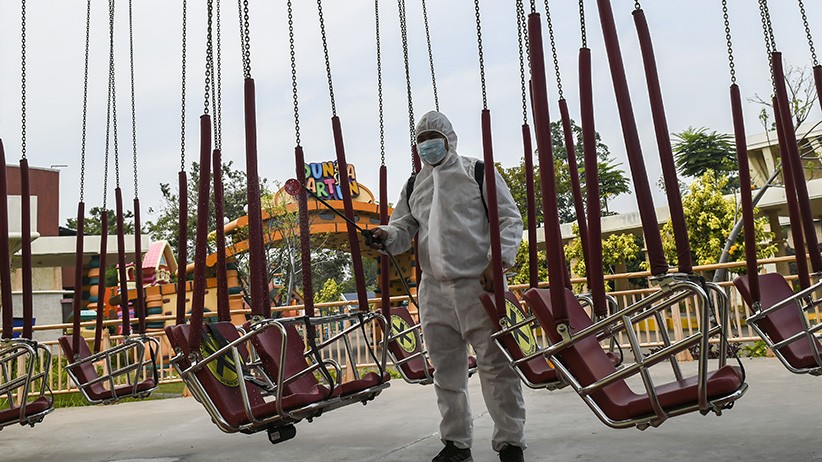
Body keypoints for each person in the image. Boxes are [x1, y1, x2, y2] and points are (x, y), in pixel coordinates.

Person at [370, 111, 526, 462]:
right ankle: (456, 443)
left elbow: (509, 219)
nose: (427, 144)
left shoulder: (477, 172)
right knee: (446, 370)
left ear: (449, 137)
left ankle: (510, 442)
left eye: (432, 136)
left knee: (495, 365)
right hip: (433, 290)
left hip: (477, 286)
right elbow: (401, 231)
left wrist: (497, 262)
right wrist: (385, 235)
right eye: (421, 139)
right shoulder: (414, 186)